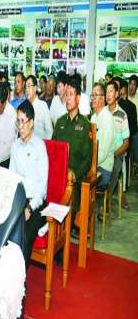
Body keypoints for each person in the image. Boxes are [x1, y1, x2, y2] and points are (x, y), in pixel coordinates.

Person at [9, 100, 49, 260]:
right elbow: (12, 179)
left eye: (23, 121)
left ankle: (20, 275)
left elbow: (42, 189)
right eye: (17, 121)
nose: (20, 126)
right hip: (19, 200)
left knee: (24, 235)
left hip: (36, 204)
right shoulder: (15, 146)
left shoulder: (39, 147)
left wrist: (29, 209)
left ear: (31, 123)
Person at [52, 79, 92, 218]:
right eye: (66, 95)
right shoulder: (60, 122)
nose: (67, 98)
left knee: (68, 211)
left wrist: (75, 175)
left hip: (75, 179)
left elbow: (87, 159)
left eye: (71, 94)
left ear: (78, 98)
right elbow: (53, 151)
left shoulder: (85, 125)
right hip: (58, 176)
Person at [105, 81, 130, 208]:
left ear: (116, 94)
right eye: (106, 92)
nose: (108, 94)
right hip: (102, 153)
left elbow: (126, 143)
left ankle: (106, 202)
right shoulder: (102, 112)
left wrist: (114, 153)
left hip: (116, 154)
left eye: (111, 91)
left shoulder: (122, 114)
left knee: (114, 168)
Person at [91, 81, 117, 190]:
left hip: (103, 169)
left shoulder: (107, 119)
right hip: (93, 164)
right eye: (92, 95)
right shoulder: (93, 117)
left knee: (80, 183)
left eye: (95, 95)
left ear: (103, 98)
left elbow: (103, 153)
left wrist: (88, 164)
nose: (92, 98)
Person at [25, 74, 52, 140]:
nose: (27, 90)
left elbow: (50, 132)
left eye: (29, 86)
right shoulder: (24, 107)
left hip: (41, 144)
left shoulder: (43, 106)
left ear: (35, 88)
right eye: (25, 87)